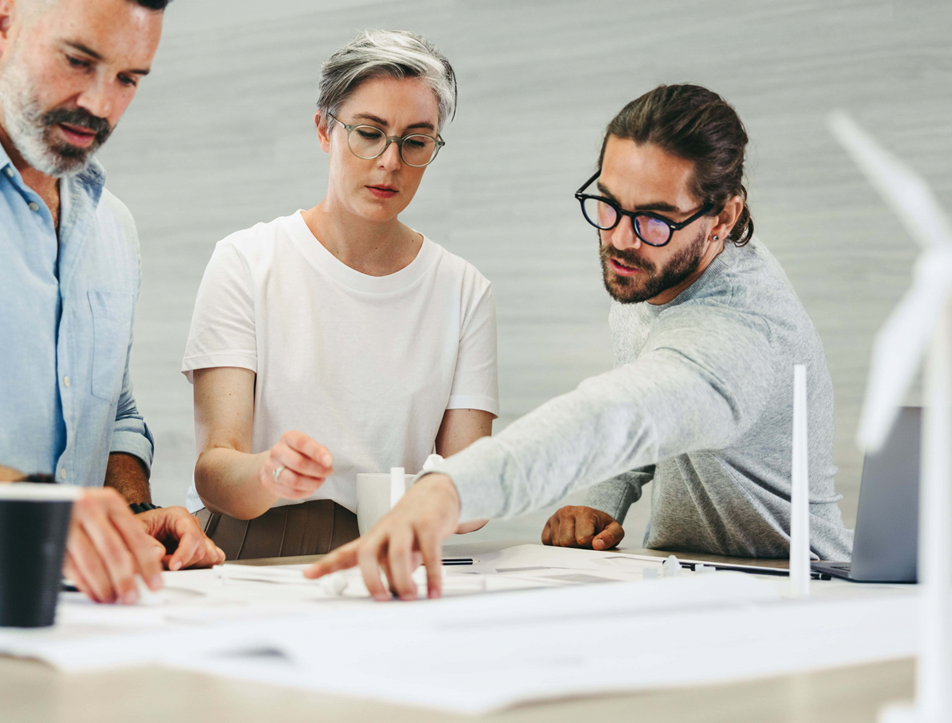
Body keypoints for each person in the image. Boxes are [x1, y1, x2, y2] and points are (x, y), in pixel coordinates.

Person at [307, 84, 854, 600]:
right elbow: (650, 406)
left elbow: (625, 415)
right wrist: (600, 500)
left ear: (722, 218)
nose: (619, 239)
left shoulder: (741, 332)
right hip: (692, 580)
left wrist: (449, 489)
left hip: (798, 587)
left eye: (655, 220)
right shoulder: (655, 269)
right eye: (609, 204)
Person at [0, 0, 223, 604]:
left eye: (127, 79)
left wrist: (126, 510)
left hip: (72, 620)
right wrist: (45, 512)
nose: (99, 104)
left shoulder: (111, 225)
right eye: (77, 61)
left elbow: (110, 410)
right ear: (2, 22)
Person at [184, 30, 498, 559]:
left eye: (415, 141)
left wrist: (448, 495)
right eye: (369, 133)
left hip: (390, 547)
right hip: (248, 542)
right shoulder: (247, 261)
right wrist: (269, 471)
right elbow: (215, 471)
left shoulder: (462, 289)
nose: (390, 162)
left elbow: (478, 481)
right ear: (325, 130)